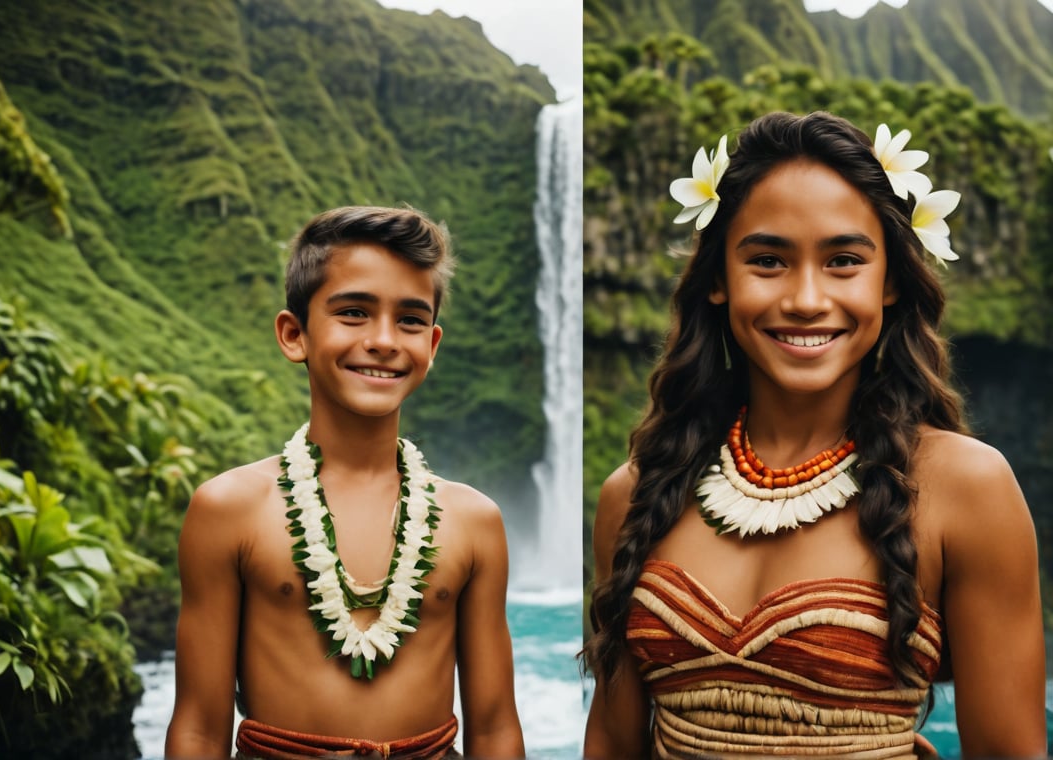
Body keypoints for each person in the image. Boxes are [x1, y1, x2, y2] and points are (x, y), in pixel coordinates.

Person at [583, 112, 1047, 758]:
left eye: (843, 261)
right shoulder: (636, 496)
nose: (806, 298)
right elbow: (610, 742)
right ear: (718, 280)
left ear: (889, 282)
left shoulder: (965, 489)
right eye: (768, 260)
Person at [166, 206, 525, 759]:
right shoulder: (229, 509)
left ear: (431, 345)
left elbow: (497, 727)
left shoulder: (474, 522)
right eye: (354, 313)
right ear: (294, 334)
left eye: (409, 320)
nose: (384, 340)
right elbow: (197, 727)